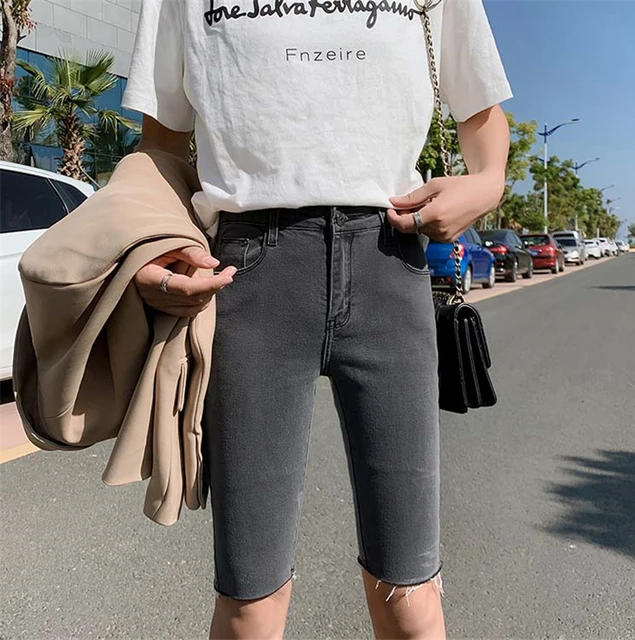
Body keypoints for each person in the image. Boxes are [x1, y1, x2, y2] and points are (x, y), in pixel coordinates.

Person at [123, 0, 512, 636]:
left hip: (390, 263)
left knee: (411, 595)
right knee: (249, 600)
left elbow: (480, 108)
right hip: (249, 276)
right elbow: (162, 140)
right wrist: (156, 240)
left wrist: (488, 182)